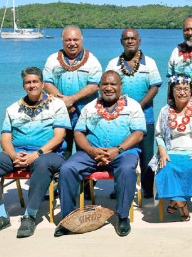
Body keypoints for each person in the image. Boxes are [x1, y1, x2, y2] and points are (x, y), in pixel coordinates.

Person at [0, 67, 69, 238]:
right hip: (18, 153)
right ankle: (0, 215)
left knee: (42, 164)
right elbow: (5, 139)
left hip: (49, 154)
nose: (31, 85)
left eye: (35, 81)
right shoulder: (13, 108)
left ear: (42, 84)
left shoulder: (57, 105)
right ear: (23, 85)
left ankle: (30, 215)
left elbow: (59, 137)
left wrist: (37, 154)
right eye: (28, 82)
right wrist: (13, 155)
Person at [55, 71, 145, 237]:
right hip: (92, 152)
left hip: (123, 152)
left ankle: (122, 216)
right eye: (105, 84)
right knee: (67, 168)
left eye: (113, 84)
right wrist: (90, 150)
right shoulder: (90, 107)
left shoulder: (133, 106)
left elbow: (138, 133)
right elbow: (79, 133)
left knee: (127, 170)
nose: (109, 88)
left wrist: (117, 150)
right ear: (99, 86)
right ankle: (68, 218)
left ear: (120, 86)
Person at [106, 28, 162, 199]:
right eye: (126, 39)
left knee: (146, 156)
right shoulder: (113, 64)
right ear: (121, 41)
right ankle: (119, 187)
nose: (130, 41)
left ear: (139, 41)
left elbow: (155, 87)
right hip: (119, 119)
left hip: (146, 117)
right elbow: (108, 88)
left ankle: (146, 189)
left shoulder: (150, 63)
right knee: (121, 154)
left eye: (133, 38)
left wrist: (138, 107)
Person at [152, 74, 192, 222]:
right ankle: (182, 203)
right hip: (171, 151)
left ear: (191, 91)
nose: (182, 92)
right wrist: (162, 153)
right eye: (178, 89)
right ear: (172, 91)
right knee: (165, 167)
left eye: (186, 89)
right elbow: (159, 135)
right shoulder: (165, 110)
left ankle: (177, 201)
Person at [43, 25, 102, 156]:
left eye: (75, 39)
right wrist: (63, 102)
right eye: (68, 40)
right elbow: (46, 83)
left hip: (86, 115)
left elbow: (94, 85)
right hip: (59, 114)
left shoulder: (92, 60)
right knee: (61, 151)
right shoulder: (52, 59)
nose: (72, 43)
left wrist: (71, 99)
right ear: (62, 41)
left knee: (87, 152)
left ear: (82, 40)